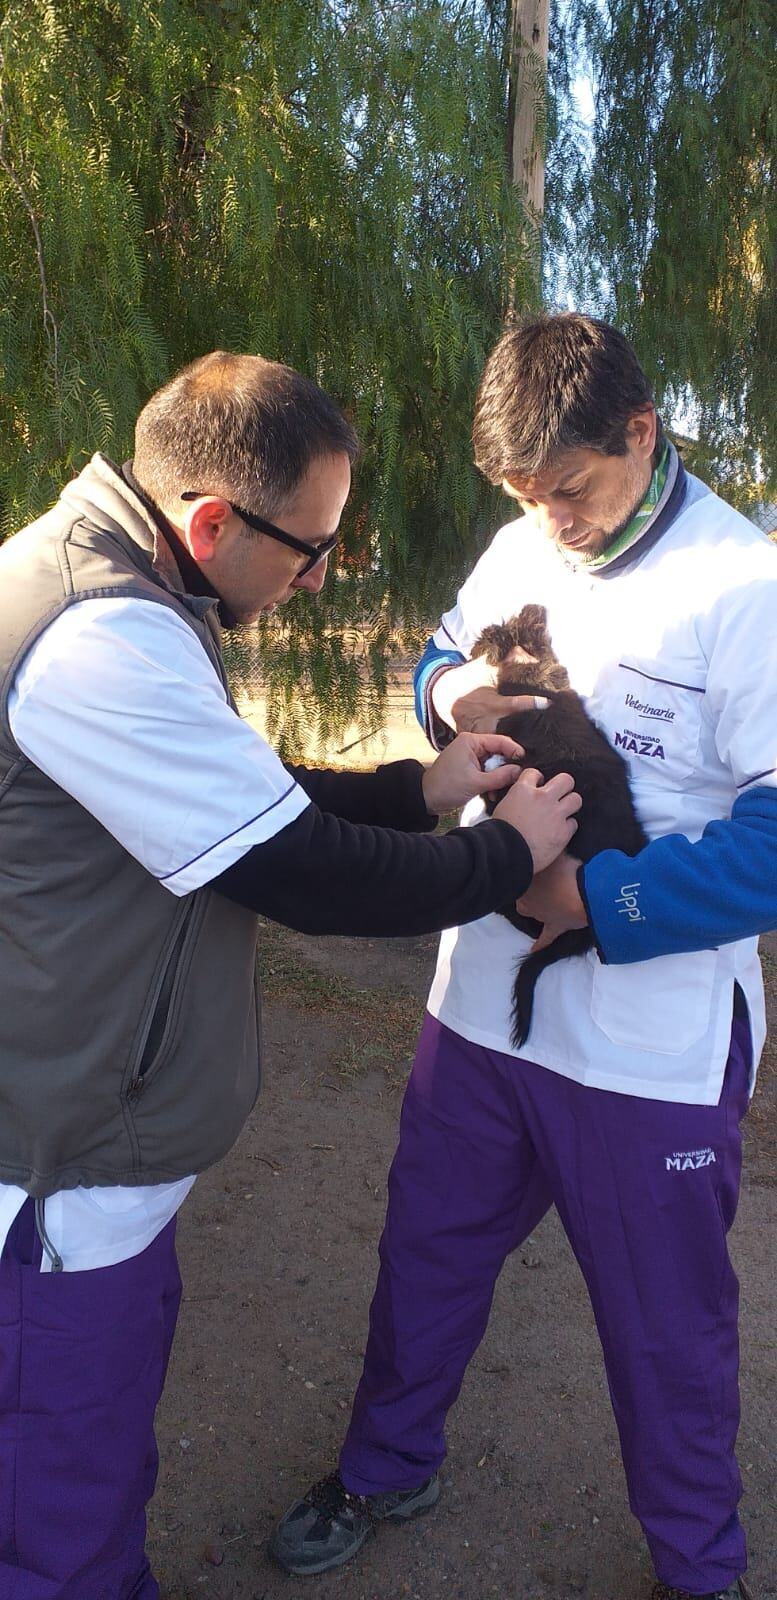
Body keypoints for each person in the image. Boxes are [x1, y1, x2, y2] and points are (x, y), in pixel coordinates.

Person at [0, 350, 583, 1600]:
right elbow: (302, 874)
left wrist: (414, 790)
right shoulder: (102, 639)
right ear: (212, 521)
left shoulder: (114, 580)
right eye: (307, 547)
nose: (319, 575)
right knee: (57, 1479)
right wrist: (502, 857)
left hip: (77, 1125)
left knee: (83, 1442)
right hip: (54, 1159)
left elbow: (233, 796)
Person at [269, 314, 777, 1600]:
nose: (547, 521)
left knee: (668, 1331)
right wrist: (452, 700)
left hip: (647, 1042)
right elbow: (446, 653)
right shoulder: (520, 540)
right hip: (482, 1009)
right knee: (424, 1257)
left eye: (569, 490)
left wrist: (598, 900)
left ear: (641, 436)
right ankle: (386, 1467)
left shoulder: (745, 586)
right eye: (524, 496)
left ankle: (698, 1567)